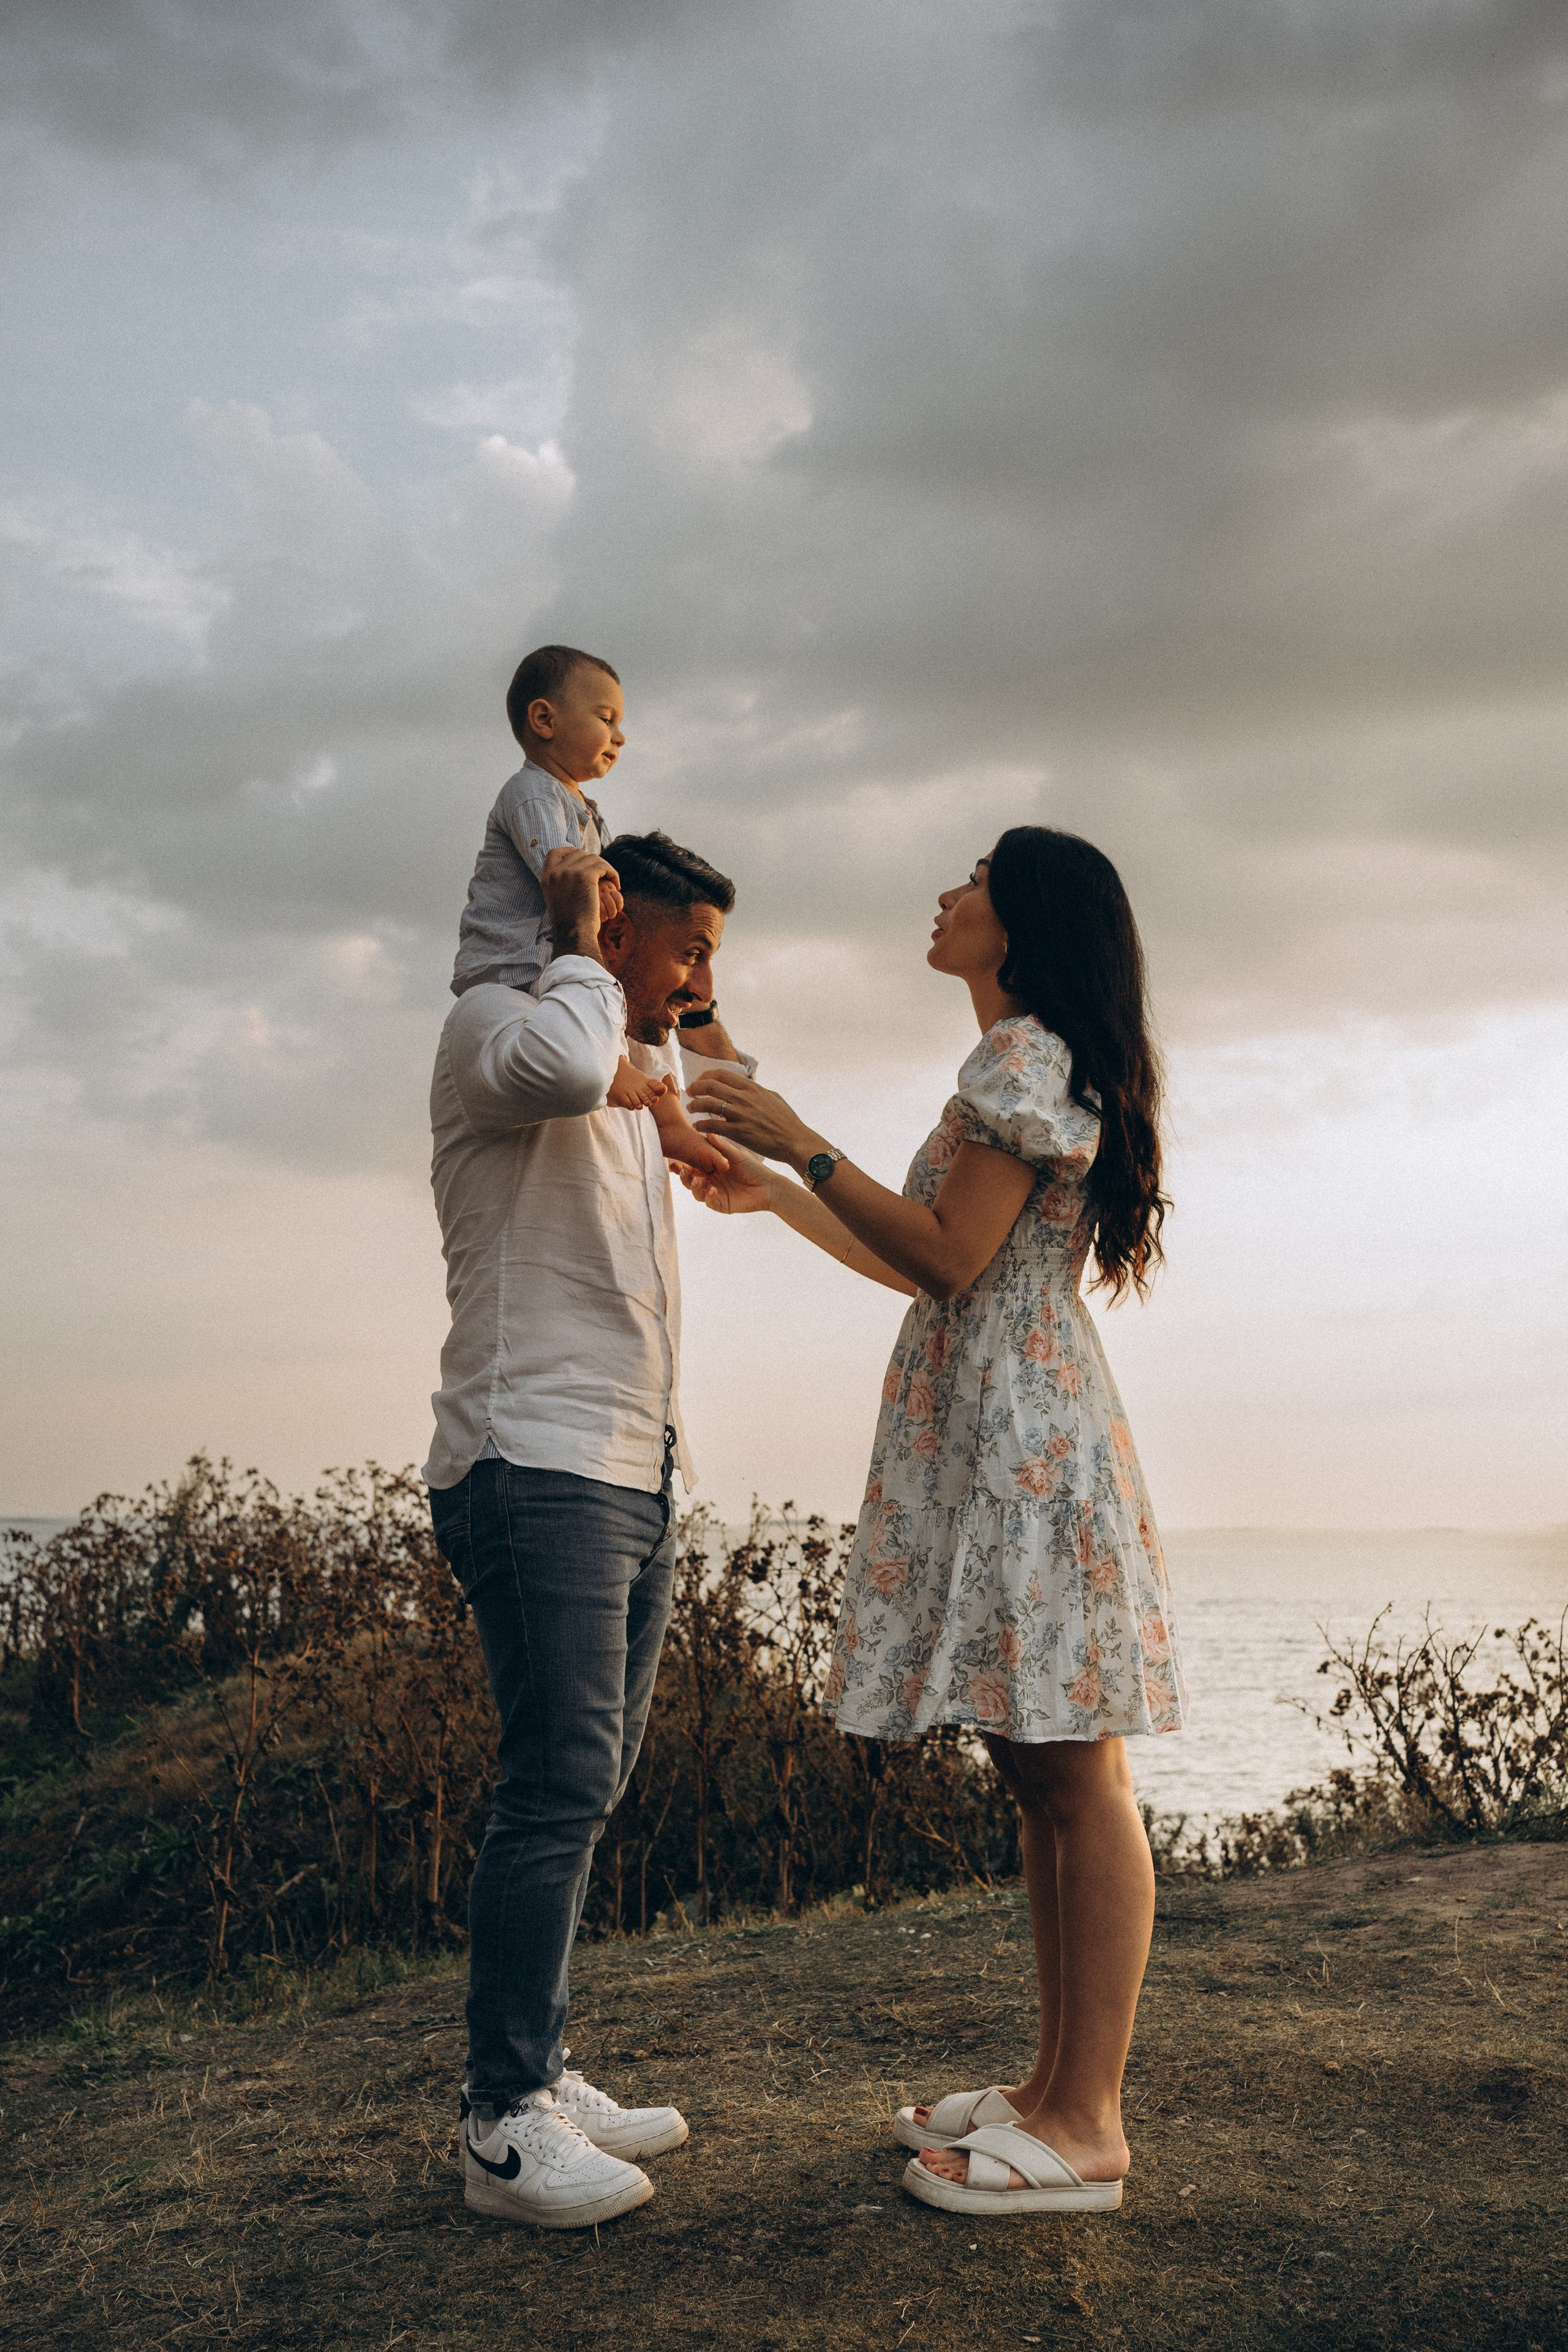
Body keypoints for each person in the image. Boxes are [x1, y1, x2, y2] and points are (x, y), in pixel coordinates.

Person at [682, 824, 1186, 2220]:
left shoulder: (1017, 1063)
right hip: (1003, 1426)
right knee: (1037, 1772)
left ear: (1017, 924)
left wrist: (805, 1143)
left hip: (1022, 1446)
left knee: (1072, 1776)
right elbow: (928, 1263)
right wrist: (783, 1191)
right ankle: (1048, 2085)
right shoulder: (1011, 1060)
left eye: (971, 877)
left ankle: (1088, 2123)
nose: (946, 890)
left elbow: (950, 1254)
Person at [424, 828, 744, 2231]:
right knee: (553, 1777)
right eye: (682, 947)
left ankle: (541, 2065)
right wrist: (571, 920)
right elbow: (564, 1059)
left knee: (587, 1774)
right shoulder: (505, 1023)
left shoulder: (633, 1049)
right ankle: (500, 2116)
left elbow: (722, 1100)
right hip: (529, 1454)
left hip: (628, 1460)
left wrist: (688, 990)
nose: (698, 980)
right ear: (608, 936)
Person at [450, 641, 715, 1154]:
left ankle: (672, 1121)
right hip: (513, 961)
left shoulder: (585, 806)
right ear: (544, 719)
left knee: (617, 1008)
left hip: (557, 957)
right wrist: (600, 890)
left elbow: (604, 865)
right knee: (589, 1015)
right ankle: (615, 1072)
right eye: (605, 718)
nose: (619, 736)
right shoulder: (531, 792)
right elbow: (559, 866)